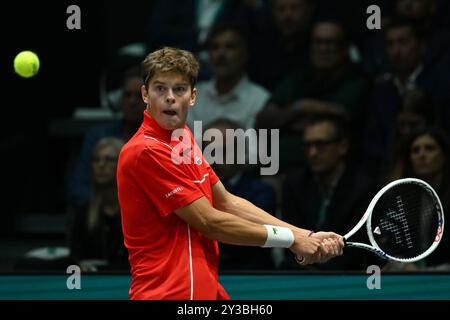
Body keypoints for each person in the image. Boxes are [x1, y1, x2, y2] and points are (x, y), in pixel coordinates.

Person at [117, 47, 344, 300]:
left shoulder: (183, 140)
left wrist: (304, 235)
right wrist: (290, 239)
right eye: (160, 88)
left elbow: (226, 202)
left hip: (202, 289)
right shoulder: (146, 151)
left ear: (192, 97)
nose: (170, 97)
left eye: (179, 89)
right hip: (166, 295)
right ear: (145, 94)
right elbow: (210, 222)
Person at [281, 114, 378, 270]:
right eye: (308, 146)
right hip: (299, 270)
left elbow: (356, 249)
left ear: (342, 147)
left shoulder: (363, 188)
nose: (312, 153)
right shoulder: (294, 184)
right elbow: (289, 239)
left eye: (320, 145)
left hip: (346, 274)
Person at [68, 66, 146, 207]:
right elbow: (78, 188)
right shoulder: (98, 136)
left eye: (139, 96)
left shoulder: (164, 139)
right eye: (127, 95)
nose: (132, 102)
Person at [186, 23, 270, 130]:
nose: (221, 54)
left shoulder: (259, 100)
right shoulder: (193, 96)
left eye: (230, 47)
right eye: (215, 47)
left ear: (245, 54)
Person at [68, 137, 129, 272]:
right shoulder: (83, 211)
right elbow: (74, 258)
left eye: (109, 160)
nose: (101, 165)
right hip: (92, 286)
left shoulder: (139, 212)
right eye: (96, 160)